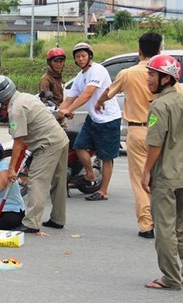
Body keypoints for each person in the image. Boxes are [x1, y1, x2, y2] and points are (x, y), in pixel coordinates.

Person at [95, 33, 162, 238]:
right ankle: (164, 222)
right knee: (161, 178)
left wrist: (100, 102)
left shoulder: (128, 73)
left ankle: (146, 225)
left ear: (139, 50)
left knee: (140, 179)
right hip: (162, 131)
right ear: (159, 51)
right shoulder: (163, 73)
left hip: (138, 131)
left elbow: (108, 92)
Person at [0, 75, 69, 233]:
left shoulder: (16, 110)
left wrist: (12, 168)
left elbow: (19, 142)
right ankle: (58, 219)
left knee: (36, 182)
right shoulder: (25, 96)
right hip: (60, 138)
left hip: (46, 144)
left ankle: (31, 222)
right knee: (59, 181)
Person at [58, 42, 122, 201]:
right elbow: (70, 97)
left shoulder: (97, 70)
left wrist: (70, 109)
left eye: (83, 56)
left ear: (89, 56)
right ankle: (91, 173)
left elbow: (87, 94)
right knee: (79, 146)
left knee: (106, 156)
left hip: (108, 119)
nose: (80, 59)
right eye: (77, 57)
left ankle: (103, 191)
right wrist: (60, 112)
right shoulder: (80, 77)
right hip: (93, 118)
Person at [141, 54, 183, 290]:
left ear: (166, 79)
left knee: (165, 229)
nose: (148, 79)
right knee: (181, 228)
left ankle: (171, 278)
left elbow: (155, 143)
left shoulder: (159, 105)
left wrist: (146, 171)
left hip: (166, 176)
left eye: (152, 75)